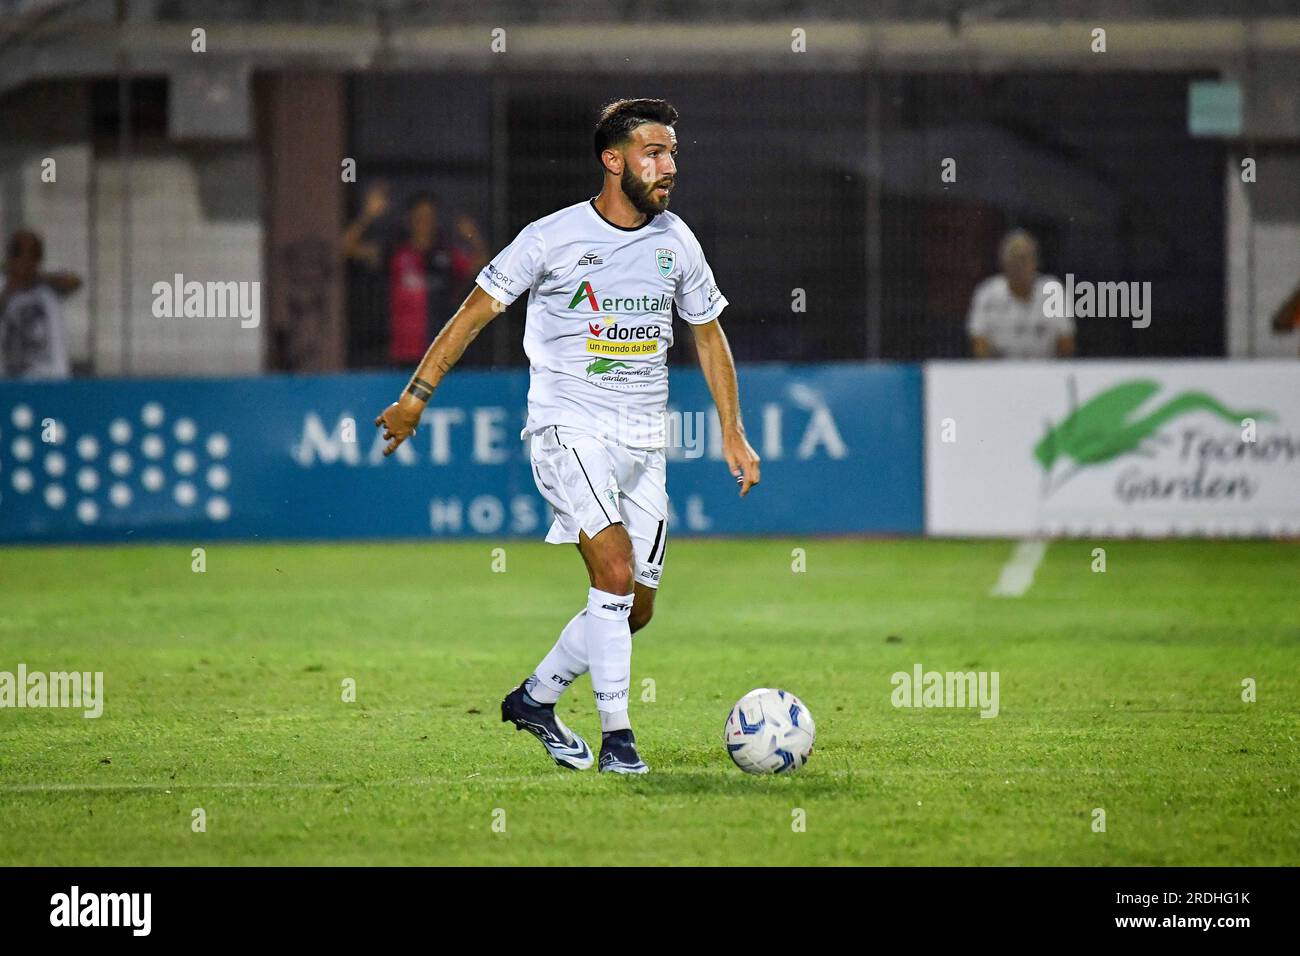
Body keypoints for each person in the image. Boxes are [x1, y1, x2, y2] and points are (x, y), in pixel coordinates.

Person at [374, 98, 760, 774]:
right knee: (611, 572)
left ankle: (535, 699)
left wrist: (733, 430)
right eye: (653, 151)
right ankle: (619, 742)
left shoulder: (677, 242)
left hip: (644, 442)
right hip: (569, 428)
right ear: (613, 161)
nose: (669, 165)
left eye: (671, 152)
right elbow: (474, 312)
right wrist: (416, 396)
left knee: (633, 609)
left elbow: (707, 331)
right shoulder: (550, 238)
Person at [341, 185, 487, 365]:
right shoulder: (395, 253)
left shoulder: (447, 254)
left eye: (429, 218)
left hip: (442, 353)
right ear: (409, 221)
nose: (424, 224)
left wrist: (472, 235)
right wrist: (368, 215)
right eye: (419, 218)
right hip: (402, 355)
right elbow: (346, 247)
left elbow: (483, 263)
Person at [967, 229, 1074, 359]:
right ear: (1003, 263)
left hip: (1045, 369)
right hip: (1000, 371)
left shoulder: (1053, 291)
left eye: (1024, 259)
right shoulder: (987, 293)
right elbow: (979, 342)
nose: (1019, 266)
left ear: (1035, 262)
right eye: (1014, 260)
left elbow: (1066, 341)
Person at [0, 229, 80, 379]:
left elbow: (75, 283)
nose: (26, 262)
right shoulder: (3, 283)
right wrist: (11, 286)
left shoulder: (48, 283)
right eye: (20, 255)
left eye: (32, 256)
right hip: (8, 378)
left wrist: (33, 276)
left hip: (51, 377)